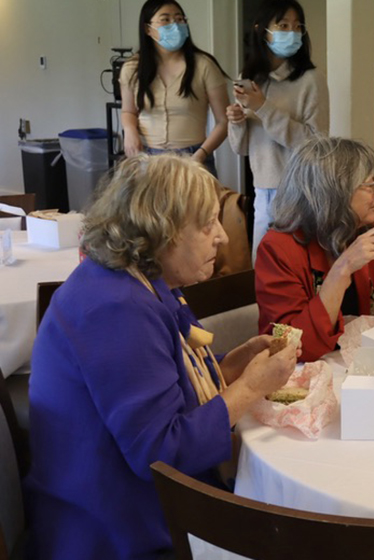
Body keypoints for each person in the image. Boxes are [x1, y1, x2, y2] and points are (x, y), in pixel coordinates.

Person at [24, 154, 299, 560]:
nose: (222, 237)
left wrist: (230, 366)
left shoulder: (140, 279)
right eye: (207, 224)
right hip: (112, 531)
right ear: (161, 231)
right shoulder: (115, 308)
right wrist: (251, 386)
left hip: (125, 501)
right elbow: (160, 453)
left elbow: (160, 383)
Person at [255, 137, 374, 362]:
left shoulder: (368, 232)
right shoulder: (279, 249)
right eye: (370, 185)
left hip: (355, 366)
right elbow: (293, 349)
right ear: (335, 193)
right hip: (303, 375)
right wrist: (343, 269)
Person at [228, 0, 329, 258]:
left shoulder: (310, 79)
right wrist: (237, 121)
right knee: (262, 264)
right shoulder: (251, 77)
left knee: (296, 264)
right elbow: (240, 148)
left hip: (299, 189)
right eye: (283, 25)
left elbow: (315, 143)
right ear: (262, 30)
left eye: (297, 26)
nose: (291, 32)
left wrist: (263, 107)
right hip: (262, 187)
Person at [119, 0, 229, 176]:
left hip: (193, 156)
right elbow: (128, 111)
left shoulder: (204, 65)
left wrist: (201, 154)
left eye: (179, 19)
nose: (175, 25)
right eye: (166, 20)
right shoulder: (132, 68)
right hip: (148, 159)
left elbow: (224, 121)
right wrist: (130, 132)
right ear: (148, 29)